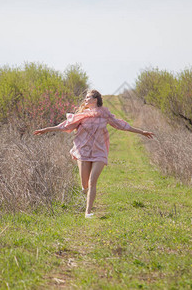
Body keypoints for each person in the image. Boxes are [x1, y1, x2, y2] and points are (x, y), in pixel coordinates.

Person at [33, 90, 154, 218]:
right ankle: (87, 194)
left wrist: (141, 132)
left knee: (92, 182)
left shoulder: (104, 115)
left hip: (99, 151)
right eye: (85, 98)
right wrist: (47, 129)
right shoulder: (81, 116)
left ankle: (88, 212)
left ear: (95, 99)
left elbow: (122, 125)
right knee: (85, 185)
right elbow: (65, 126)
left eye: (87, 97)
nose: (85, 100)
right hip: (83, 151)